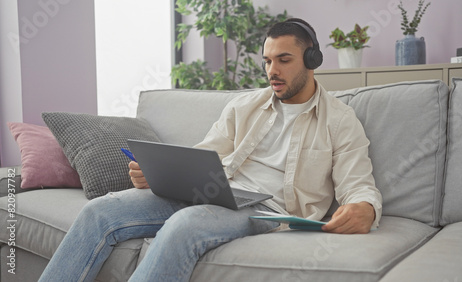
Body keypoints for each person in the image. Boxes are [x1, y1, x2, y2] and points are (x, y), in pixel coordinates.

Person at [39, 18, 382, 282]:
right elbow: (204, 156)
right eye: (266, 61)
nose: (272, 72)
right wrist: (160, 176)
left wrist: (365, 207)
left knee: (185, 224)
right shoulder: (244, 106)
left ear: (312, 60)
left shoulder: (339, 119)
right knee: (99, 211)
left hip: (265, 209)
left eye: (284, 60)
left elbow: (358, 183)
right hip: (213, 190)